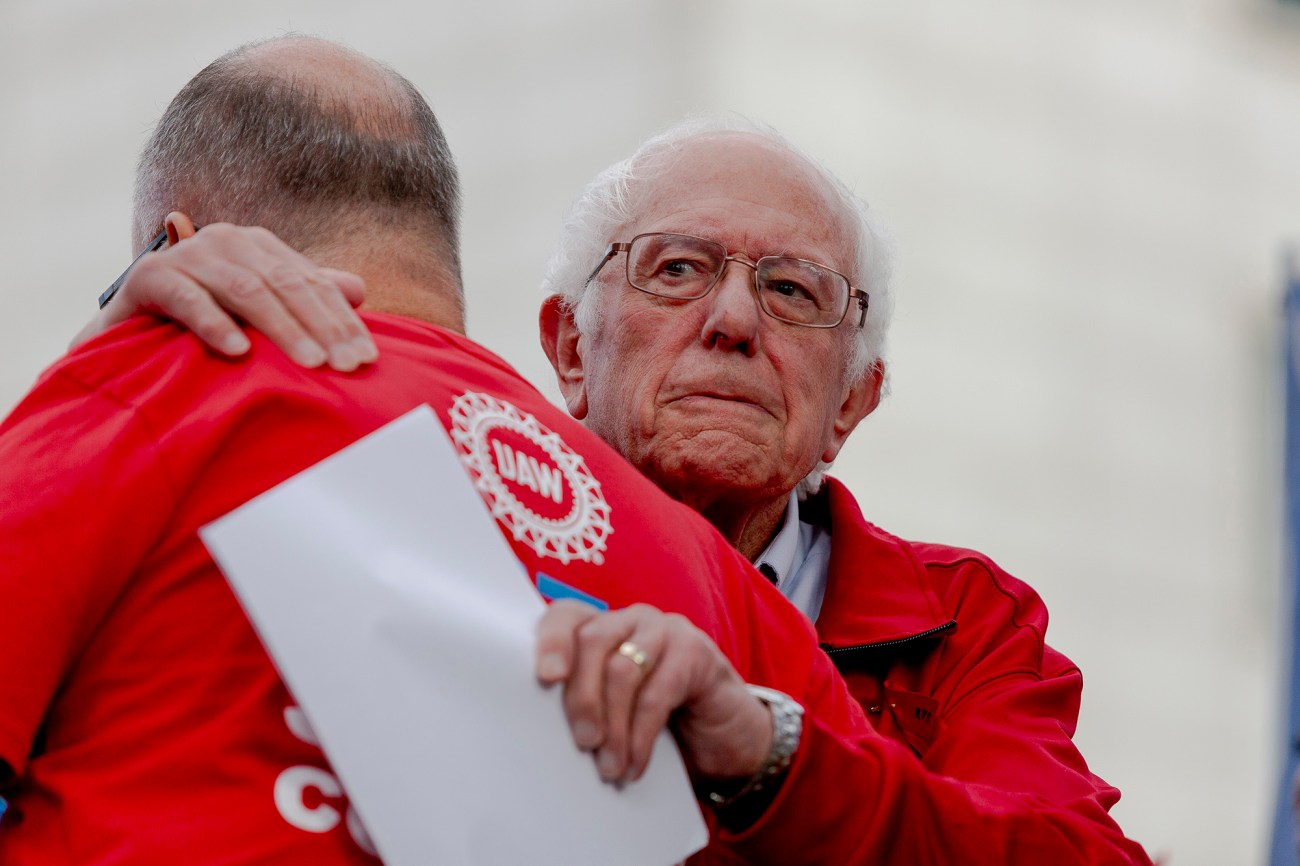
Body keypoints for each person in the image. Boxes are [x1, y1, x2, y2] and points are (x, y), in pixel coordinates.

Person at [97, 106, 1158, 861]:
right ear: (567, 346)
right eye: (677, 269)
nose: (734, 321)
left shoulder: (964, 624)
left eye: (793, 290)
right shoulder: (416, 505)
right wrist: (124, 363)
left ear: (852, 402)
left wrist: (771, 752)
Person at [0, 36, 886, 865]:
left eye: (790, 290)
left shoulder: (158, 384)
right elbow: (890, 820)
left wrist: (103, 366)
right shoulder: (717, 582)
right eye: (679, 270)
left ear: (175, 250)